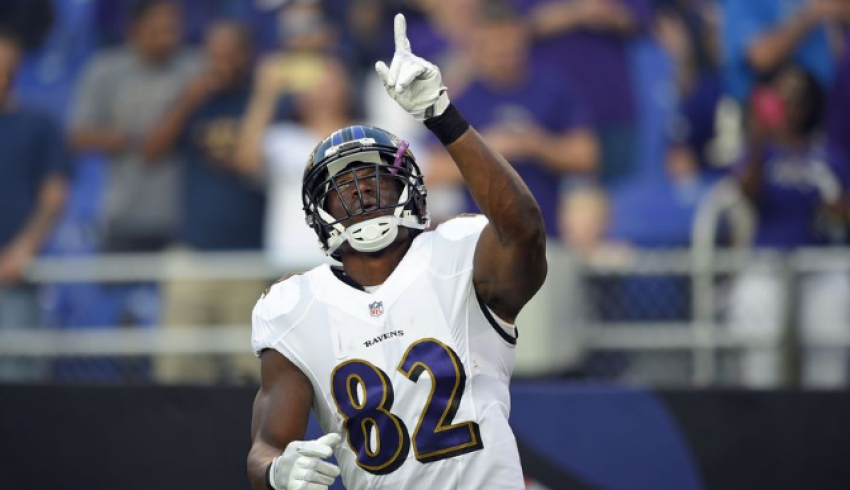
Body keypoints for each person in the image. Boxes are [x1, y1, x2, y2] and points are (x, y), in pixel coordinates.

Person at [248, 13, 546, 490]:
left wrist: (440, 114)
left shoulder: (457, 255)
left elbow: (525, 233)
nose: (363, 194)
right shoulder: (293, 308)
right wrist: (276, 473)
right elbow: (266, 445)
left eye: (376, 180)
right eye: (343, 188)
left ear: (410, 188)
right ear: (319, 212)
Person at [141, 21, 267, 384]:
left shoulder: (262, 102)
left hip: (248, 259)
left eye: (229, 53)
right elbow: (151, 151)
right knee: (178, 374)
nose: (219, 62)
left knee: (251, 376)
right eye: (213, 54)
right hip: (192, 256)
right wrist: (190, 98)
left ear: (247, 55)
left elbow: (256, 161)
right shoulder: (194, 101)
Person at [426, 1, 598, 236]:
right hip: (483, 236)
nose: (503, 56)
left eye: (509, 47)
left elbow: (587, 156)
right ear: (476, 49)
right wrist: (487, 150)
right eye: (494, 48)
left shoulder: (554, 89)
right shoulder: (460, 101)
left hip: (546, 232)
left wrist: (537, 145)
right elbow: (433, 172)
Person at [729, 65, 850, 387]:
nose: (790, 104)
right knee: (759, 350)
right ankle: (761, 419)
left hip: (819, 264)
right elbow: (746, 192)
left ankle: (827, 422)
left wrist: (836, 210)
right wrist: (757, 140)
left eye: (798, 97)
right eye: (783, 96)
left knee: (828, 347)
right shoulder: (761, 152)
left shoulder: (828, 156)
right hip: (767, 263)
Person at [69, 0, 199, 252]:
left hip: (181, 218)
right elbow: (78, 136)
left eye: (172, 30)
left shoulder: (194, 67)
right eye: (156, 31)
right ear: (134, 29)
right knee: (116, 287)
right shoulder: (104, 70)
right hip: (123, 214)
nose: (166, 40)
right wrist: (140, 139)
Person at [0, 31, 69, 380]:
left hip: (16, 276)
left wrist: (24, 249)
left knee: (15, 384)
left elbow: (54, 194)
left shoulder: (37, 124)